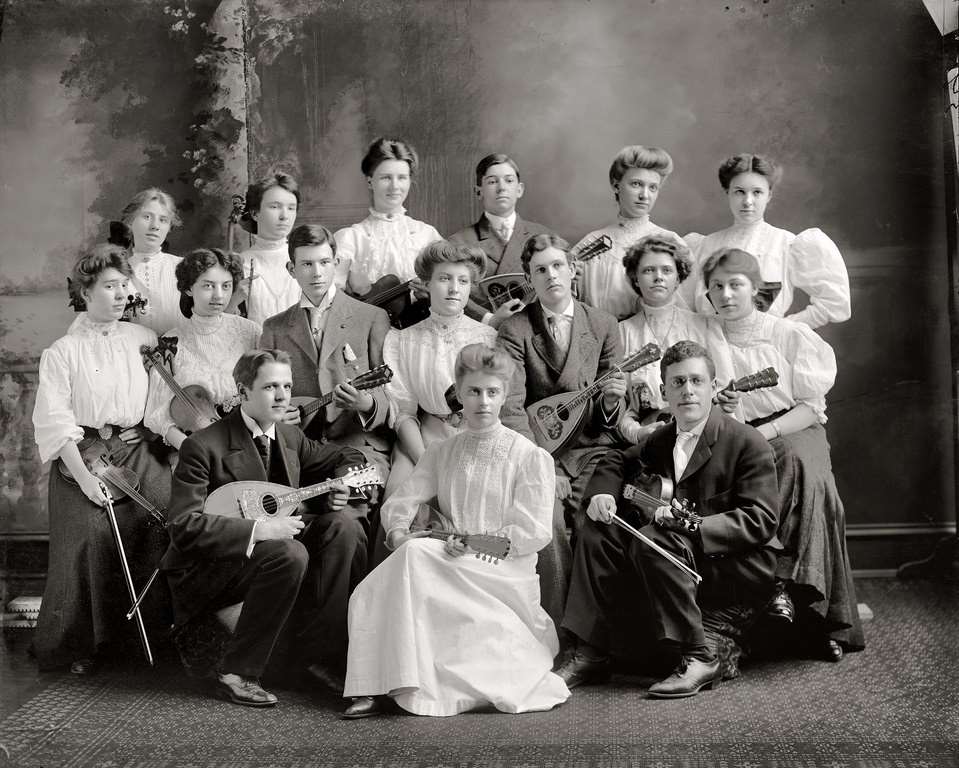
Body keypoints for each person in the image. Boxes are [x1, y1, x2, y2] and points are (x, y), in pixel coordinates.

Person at [342, 344, 570, 718]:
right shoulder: (443, 452)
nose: (483, 402)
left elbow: (531, 533)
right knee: (386, 575)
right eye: (474, 392)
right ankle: (380, 683)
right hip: (450, 558)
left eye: (492, 392)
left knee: (414, 558)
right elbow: (399, 504)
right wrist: (399, 535)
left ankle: (382, 685)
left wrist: (471, 543)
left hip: (503, 568)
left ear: (504, 395)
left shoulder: (529, 456)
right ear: (460, 393)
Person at [557, 341, 781, 698]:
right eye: (677, 383)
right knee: (597, 532)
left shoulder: (747, 442)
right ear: (664, 391)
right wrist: (602, 492)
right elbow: (616, 461)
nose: (687, 391)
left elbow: (761, 520)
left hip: (732, 562)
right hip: (671, 550)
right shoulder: (662, 438)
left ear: (713, 386)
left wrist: (691, 525)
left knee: (657, 539)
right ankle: (591, 651)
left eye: (696, 381)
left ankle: (700, 656)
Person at [159, 349, 367, 707]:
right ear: (242, 393)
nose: (283, 396)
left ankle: (319, 656)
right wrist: (258, 531)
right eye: (271, 386)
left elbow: (345, 457)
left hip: (267, 558)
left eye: (286, 386)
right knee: (290, 550)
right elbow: (183, 526)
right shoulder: (202, 446)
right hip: (212, 569)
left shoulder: (289, 437)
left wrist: (342, 483)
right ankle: (237, 671)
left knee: (341, 528)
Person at [701, 248, 864, 657]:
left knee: (793, 463)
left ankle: (780, 588)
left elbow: (812, 407)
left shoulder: (788, 334)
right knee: (815, 492)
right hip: (737, 433)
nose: (726, 294)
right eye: (717, 287)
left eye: (736, 285)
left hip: (795, 427)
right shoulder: (706, 337)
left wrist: (767, 431)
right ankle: (801, 615)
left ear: (756, 289)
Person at [32, 244, 170, 674]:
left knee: (163, 515)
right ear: (85, 292)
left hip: (136, 450)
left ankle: (157, 635)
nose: (120, 295)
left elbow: (162, 402)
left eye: (124, 286)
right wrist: (87, 480)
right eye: (109, 286)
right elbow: (56, 423)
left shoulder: (145, 340)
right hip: (82, 456)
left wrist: (147, 427)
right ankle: (90, 643)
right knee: (93, 534)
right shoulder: (62, 352)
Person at [496, 233, 626, 631]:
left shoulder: (603, 324)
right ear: (530, 279)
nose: (551, 275)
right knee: (546, 524)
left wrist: (610, 401)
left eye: (558, 266)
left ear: (573, 270)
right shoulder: (514, 329)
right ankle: (557, 631)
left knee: (593, 522)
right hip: (536, 452)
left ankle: (597, 636)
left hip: (591, 451)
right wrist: (543, 467)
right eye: (540, 270)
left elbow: (615, 416)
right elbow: (511, 406)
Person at [261, 223, 392, 512]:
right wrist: (279, 415)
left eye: (324, 262)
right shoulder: (274, 328)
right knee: (284, 515)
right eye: (306, 264)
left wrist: (366, 402)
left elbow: (391, 395)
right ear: (291, 268)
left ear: (335, 264)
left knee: (345, 517)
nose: (316, 272)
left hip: (359, 447)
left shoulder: (371, 317)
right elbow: (264, 398)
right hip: (301, 452)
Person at [380, 240, 496, 499]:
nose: (454, 289)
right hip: (421, 442)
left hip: (478, 440)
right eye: (445, 278)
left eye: (463, 281)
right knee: (401, 498)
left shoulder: (490, 338)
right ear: (427, 283)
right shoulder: (402, 341)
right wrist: (426, 462)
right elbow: (403, 412)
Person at [684, 153, 851, 329]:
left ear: (769, 195)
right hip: (709, 349)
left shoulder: (788, 244)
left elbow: (834, 303)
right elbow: (684, 308)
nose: (747, 201)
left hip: (766, 352)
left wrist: (782, 329)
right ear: (728, 193)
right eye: (739, 192)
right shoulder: (703, 246)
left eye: (757, 192)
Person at [617, 234, 732, 445]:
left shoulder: (705, 327)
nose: (658, 277)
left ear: (678, 278)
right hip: (648, 444)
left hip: (704, 440)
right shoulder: (622, 333)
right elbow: (623, 410)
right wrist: (639, 433)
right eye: (648, 270)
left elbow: (724, 393)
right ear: (635, 278)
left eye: (667, 270)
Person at [144, 248, 261, 451]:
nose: (218, 295)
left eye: (226, 286)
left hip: (252, 441)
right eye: (208, 286)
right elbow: (157, 415)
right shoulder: (170, 343)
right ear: (189, 288)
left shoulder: (250, 332)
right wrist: (195, 451)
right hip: (195, 449)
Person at [574, 146, 683, 321]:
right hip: (600, 340)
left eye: (653, 188)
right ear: (616, 185)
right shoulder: (590, 243)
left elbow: (684, 309)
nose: (644, 195)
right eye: (636, 184)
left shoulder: (671, 243)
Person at [448, 153, 552, 327]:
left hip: (535, 330)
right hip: (478, 333)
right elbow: (450, 293)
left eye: (509, 180)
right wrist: (489, 319)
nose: (501, 188)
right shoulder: (458, 242)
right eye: (492, 181)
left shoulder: (543, 236)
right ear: (478, 191)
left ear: (519, 189)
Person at [333, 137, 441, 297]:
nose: (395, 186)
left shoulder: (427, 235)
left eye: (402, 177)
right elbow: (333, 294)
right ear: (370, 180)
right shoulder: (351, 238)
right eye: (386, 177)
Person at [233, 172, 302, 325]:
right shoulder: (239, 263)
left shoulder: (305, 259)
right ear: (255, 213)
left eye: (291, 208)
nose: (284, 216)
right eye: (275, 207)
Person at [118, 188, 183, 335]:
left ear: (168, 227)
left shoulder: (184, 268)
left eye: (163, 220)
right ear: (130, 221)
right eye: (147, 217)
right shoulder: (116, 273)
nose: (155, 226)